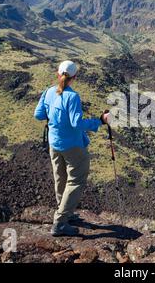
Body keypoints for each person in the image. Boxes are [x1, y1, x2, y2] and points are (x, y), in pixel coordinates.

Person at [34, 60, 109, 237]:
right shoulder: (72, 97)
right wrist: (100, 120)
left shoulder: (48, 92)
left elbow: (38, 115)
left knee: (60, 178)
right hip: (73, 146)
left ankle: (65, 213)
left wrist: (54, 117)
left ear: (57, 74)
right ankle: (60, 223)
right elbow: (77, 123)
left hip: (54, 143)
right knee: (75, 181)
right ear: (74, 77)